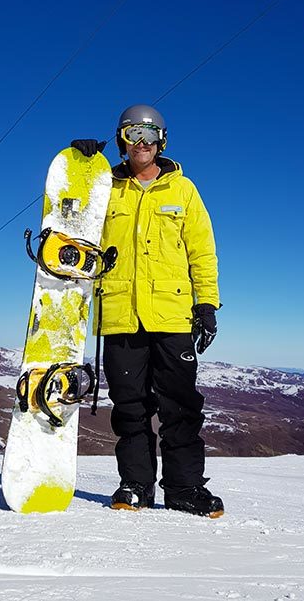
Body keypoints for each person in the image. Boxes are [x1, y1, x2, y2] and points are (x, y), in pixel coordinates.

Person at [71, 104, 223, 518]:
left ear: (162, 141)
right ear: (121, 139)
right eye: (132, 133)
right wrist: (83, 170)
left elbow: (202, 253)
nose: (141, 142)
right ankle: (135, 484)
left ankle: (185, 488)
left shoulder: (183, 190)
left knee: (181, 406)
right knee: (131, 407)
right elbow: (73, 220)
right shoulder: (105, 187)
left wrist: (206, 304)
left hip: (173, 316)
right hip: (120, 314)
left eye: (149, 134)